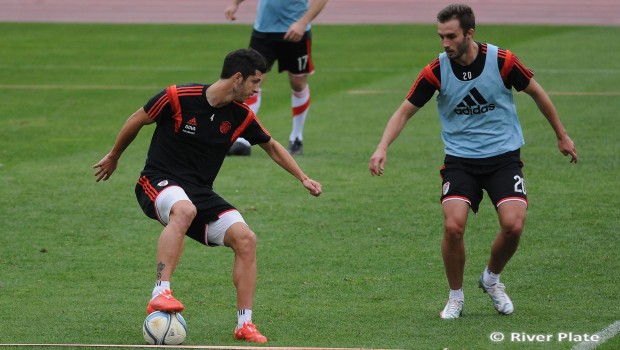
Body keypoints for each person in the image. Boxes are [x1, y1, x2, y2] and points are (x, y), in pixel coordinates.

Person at [93, 48, 322, 342]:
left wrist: (303, 177)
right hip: (158, 181)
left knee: (245, 239)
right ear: (237, 78)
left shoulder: (240, 116)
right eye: (254, 82)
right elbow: (137, 119)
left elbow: (272, 146)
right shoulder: (177, 97)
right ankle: (160, 292)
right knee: (184, 210)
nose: (256, 90)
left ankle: (244, 324)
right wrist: (114, 156)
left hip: (200, 191)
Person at [369, 4, 577, 319]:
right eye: (441, 36)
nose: (445, 43)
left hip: (503, 158)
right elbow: (404, 111)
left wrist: (562, 135)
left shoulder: (503, 61)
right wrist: (382, 146)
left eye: (451, 36)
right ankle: (455, 297)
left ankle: (491, 279)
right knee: (453, 227)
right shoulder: (436, 70)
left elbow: (537, 93)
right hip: (460, 161)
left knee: (513, 225)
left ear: (470, 33)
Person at [224, 0, 329, 156]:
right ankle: (243, 140)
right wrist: (234, 3)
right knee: (251, 82)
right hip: (263, 32)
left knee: (298, 83)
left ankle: (296, 137)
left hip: (296, 32)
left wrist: (303, 22)